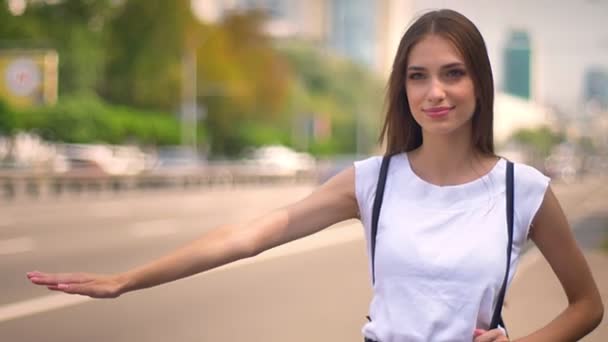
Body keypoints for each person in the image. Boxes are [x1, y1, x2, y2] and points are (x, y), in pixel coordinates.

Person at [27, 9, 603, 342]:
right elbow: (249, 236)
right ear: (402, 89)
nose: (435, 92)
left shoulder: (520, 190)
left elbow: (586, 306)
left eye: (453, 74)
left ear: (479, 82)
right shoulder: (372, 181)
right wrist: (128, 280)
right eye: (417, 76)